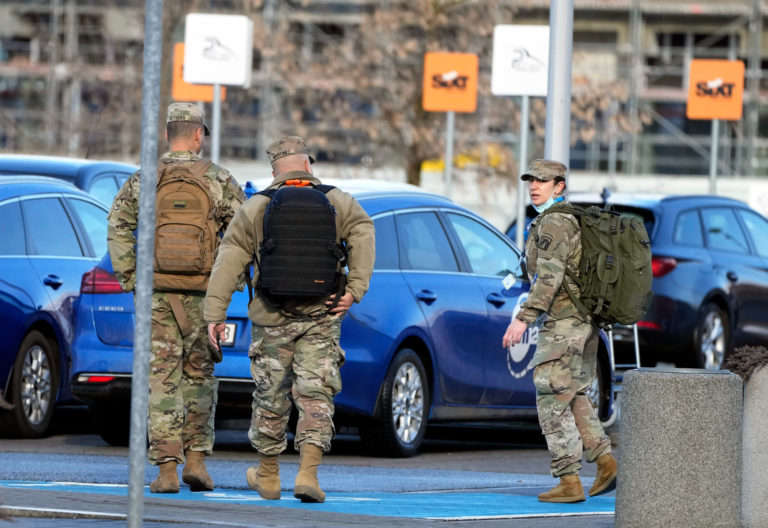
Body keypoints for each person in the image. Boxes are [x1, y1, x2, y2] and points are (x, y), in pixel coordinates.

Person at [204, 136, 375, 503]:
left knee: (270, 394)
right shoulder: (337, 201)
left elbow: (229, 260)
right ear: (308, 164)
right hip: (322, 314)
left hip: (271, 315)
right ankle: (308, 475)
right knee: (316, 394)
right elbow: (364, 232)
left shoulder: (257, 207)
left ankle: (267, 476)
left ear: (273, 170)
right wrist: (355, 288)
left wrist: (214, 314)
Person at [107, 102, 245, 493]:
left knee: (161, 381)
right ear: (199, 134)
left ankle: (167, 470)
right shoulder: (219, 179)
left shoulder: (144, 179)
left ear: (168, 134)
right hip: (205, 298)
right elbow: (243, 236)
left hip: (158, 296)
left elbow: (118, 227)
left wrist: (132, 279)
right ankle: (197, 461)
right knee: (200, 376)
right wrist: (229, 285)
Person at [502, 159, 618, 503]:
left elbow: (548, 279)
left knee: (551, 396)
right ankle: (606, 462)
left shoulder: (554, 223)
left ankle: (569, 480)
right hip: (583, 321)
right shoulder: (569, 219)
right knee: (573, 394)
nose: (534, 185)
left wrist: (523, 318)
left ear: (559, 186)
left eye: (542, 180)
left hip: (565, 321)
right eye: (531, 180)